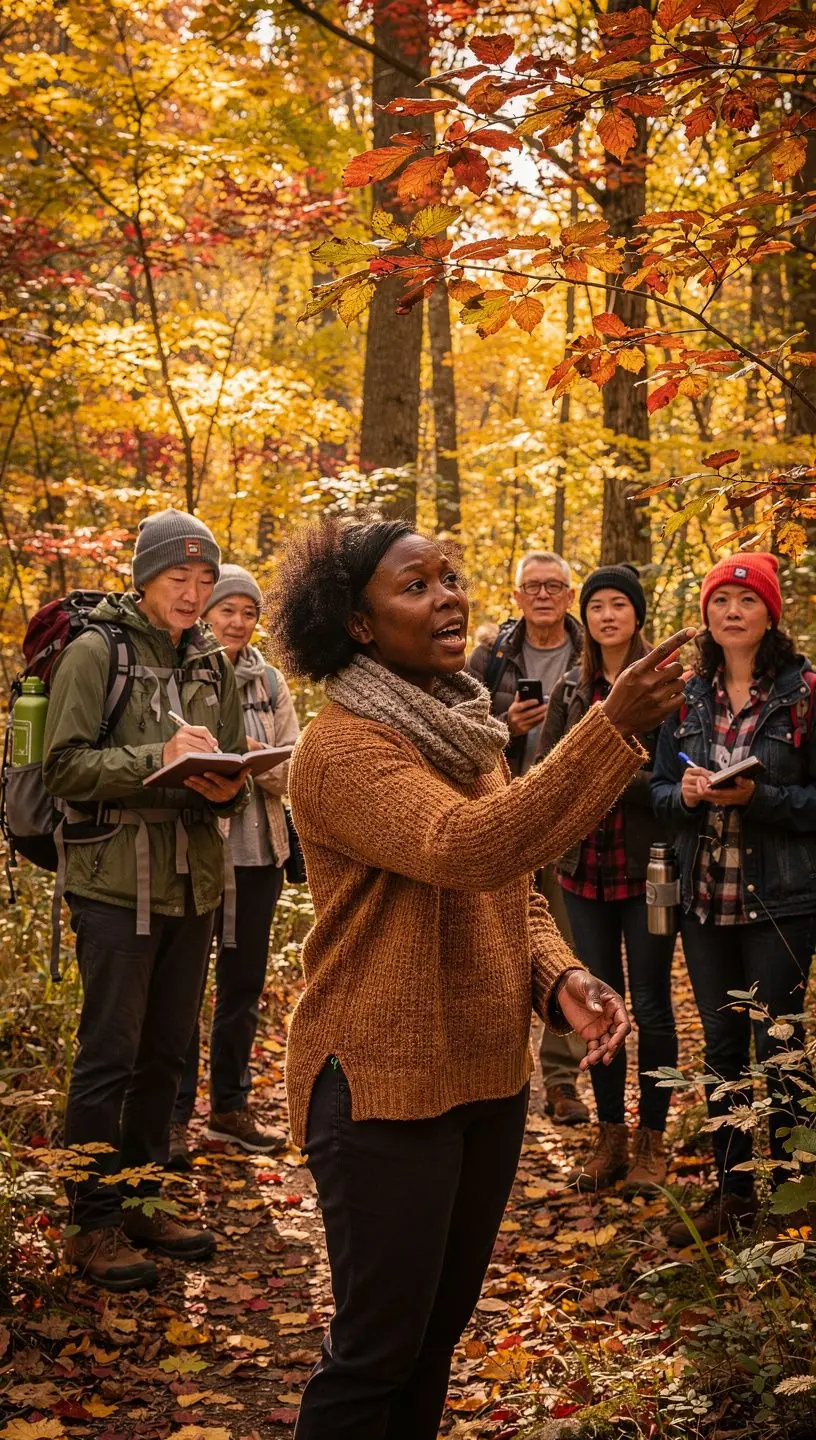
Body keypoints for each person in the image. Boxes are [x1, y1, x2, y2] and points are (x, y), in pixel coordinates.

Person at [267, 511, 694, 1440]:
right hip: (382, 1088)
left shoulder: (463, 726)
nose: (448, 597)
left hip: (485, 1078)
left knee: (433, 1346)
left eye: (450, 576)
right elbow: (466, 848)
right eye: (414, 586)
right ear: (358, 623)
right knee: (375, 1354)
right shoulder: (343, 748)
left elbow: (511, 888)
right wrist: (609, 727)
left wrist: (559, 980)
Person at [43, 510, 249, 1292]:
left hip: (191, 882)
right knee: (108, 1057)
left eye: (205, 578)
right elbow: (63, 768)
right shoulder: (97, 653)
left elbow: (225, 772)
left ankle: (140, 1199)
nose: (194, 592)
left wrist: (228, 786)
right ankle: (89, 1224)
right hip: (112, 885)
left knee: (166, 1056)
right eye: (178, 577)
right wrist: (152, 758)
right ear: (145, 577)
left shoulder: (212, 662)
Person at [652, 553, 816, 1245]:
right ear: (706, 616)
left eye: (745, 602)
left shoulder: (804, 694)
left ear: (769, 613)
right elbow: (657, 791)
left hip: (781, 899)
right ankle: (734, 1192)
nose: (731, 612)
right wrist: (684, 796)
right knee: (721, 1048)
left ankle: (796, 1194)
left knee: (777, 1043)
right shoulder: (686, 695)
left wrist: (763, 799)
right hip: (705, 901)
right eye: (719, 602)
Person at [541, 565, 677, 1195]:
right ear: (586, 619)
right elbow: (550, 774)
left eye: (619, 604)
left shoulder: (668, 688)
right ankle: (611, 1138)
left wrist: (605, 772)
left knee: (649, 1001)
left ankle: (653, 1142)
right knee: (598, 1001)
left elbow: (674, 785)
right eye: (596, 606)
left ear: (637, 615)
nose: (606, 615)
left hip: (651, 868)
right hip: (583, 870)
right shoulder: (572, 688)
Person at [170, 564, 300, 1166]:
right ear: (205, 612)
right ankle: (171, 1116)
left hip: (259, 855)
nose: (238, 622)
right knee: (183, 987)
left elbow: (293, 768)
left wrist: (247, 756)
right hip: (198, 855)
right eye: (227, 609)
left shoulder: (269, 681)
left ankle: (229, 1109)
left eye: (248, 612)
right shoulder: (184, 670)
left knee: (241, 988)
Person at [468, 550, 588, 1125]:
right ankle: (499, 1071)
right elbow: (455, 725)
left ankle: (562, 1081)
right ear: (517, 596)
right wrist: (503, 727)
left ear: (570, 596)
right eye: (532, 586)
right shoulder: (491, 655)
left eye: (554, 586)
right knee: (494, 945)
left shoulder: (593, 652)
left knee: (561, 944)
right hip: (500, 815)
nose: (543, 595)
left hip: (568, 823)